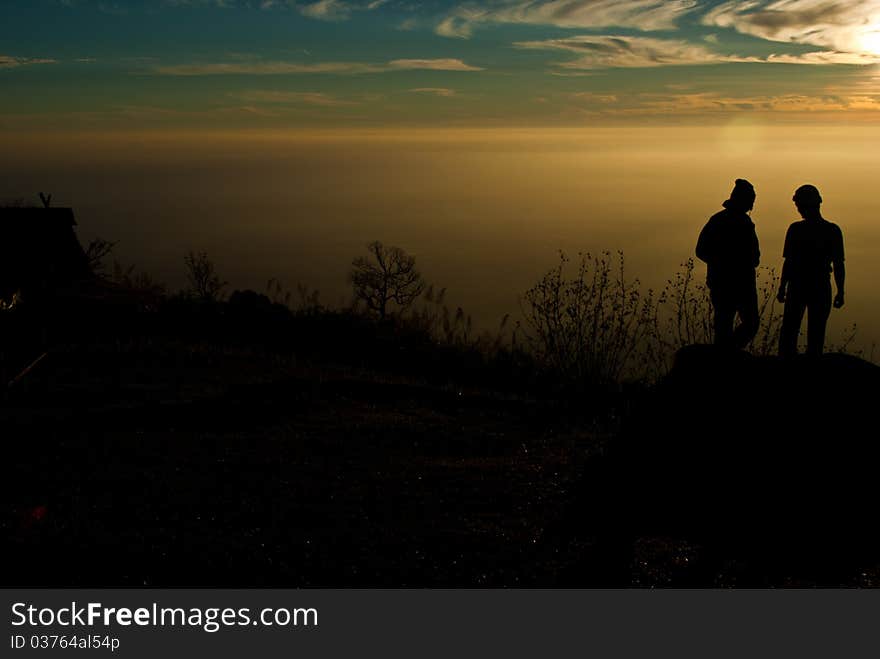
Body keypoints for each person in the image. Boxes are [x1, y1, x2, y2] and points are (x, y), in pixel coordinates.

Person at [777, 184, 845, 357]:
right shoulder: (831, 230)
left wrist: (782, 287)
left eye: (800, 205)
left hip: (805, 286)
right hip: (813, 287)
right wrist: (840, 291)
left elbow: (789, 262)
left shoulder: (798, 230)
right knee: (808, 332)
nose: (799, 209)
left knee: (797, 332)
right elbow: (789, 262)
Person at [696, 178, 761, 350]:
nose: (751, 206)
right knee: (726, 325)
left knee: (748, 323)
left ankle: (728, 352)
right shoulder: (718, 221)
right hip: (725, 284)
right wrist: (723, 263)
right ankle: (726, 355)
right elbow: (701, 250)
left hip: (742, 283)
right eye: (750, 201)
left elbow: (755, 255)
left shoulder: (745, 223)